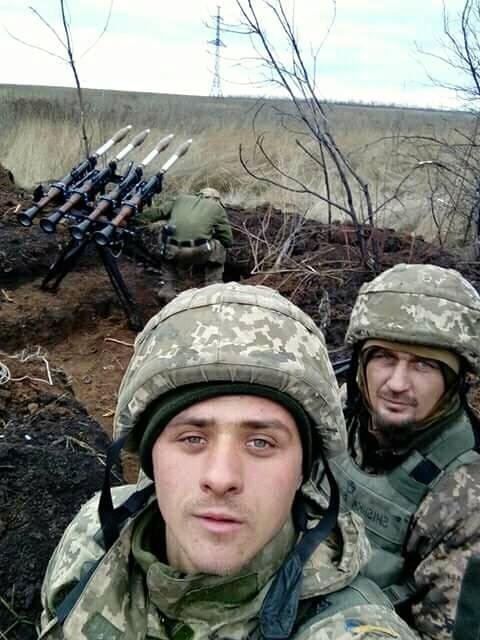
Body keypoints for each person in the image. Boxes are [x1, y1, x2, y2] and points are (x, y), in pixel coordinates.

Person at [39, 283, 417, 640]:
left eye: (260, 442)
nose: (221, 478)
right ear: (152, 457)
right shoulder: (91, 538)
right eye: (192, 438)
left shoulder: (347, 628)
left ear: (303, 469)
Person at [324, 263, 480, 640]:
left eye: (423, 364)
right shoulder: (341, 413)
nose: (396, 383)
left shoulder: (467, 497)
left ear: (454, 380)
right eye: (384, 357)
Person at [141, 187, 233, 302]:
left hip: (172, 250)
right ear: (216, 200)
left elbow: (157, 213)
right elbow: (227, 239)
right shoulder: (217, 208)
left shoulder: (180, 199)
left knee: (164, 238)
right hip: (198, 250)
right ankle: (213, 286)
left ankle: (168, 288)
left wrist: (133, 219)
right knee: (220, 245)